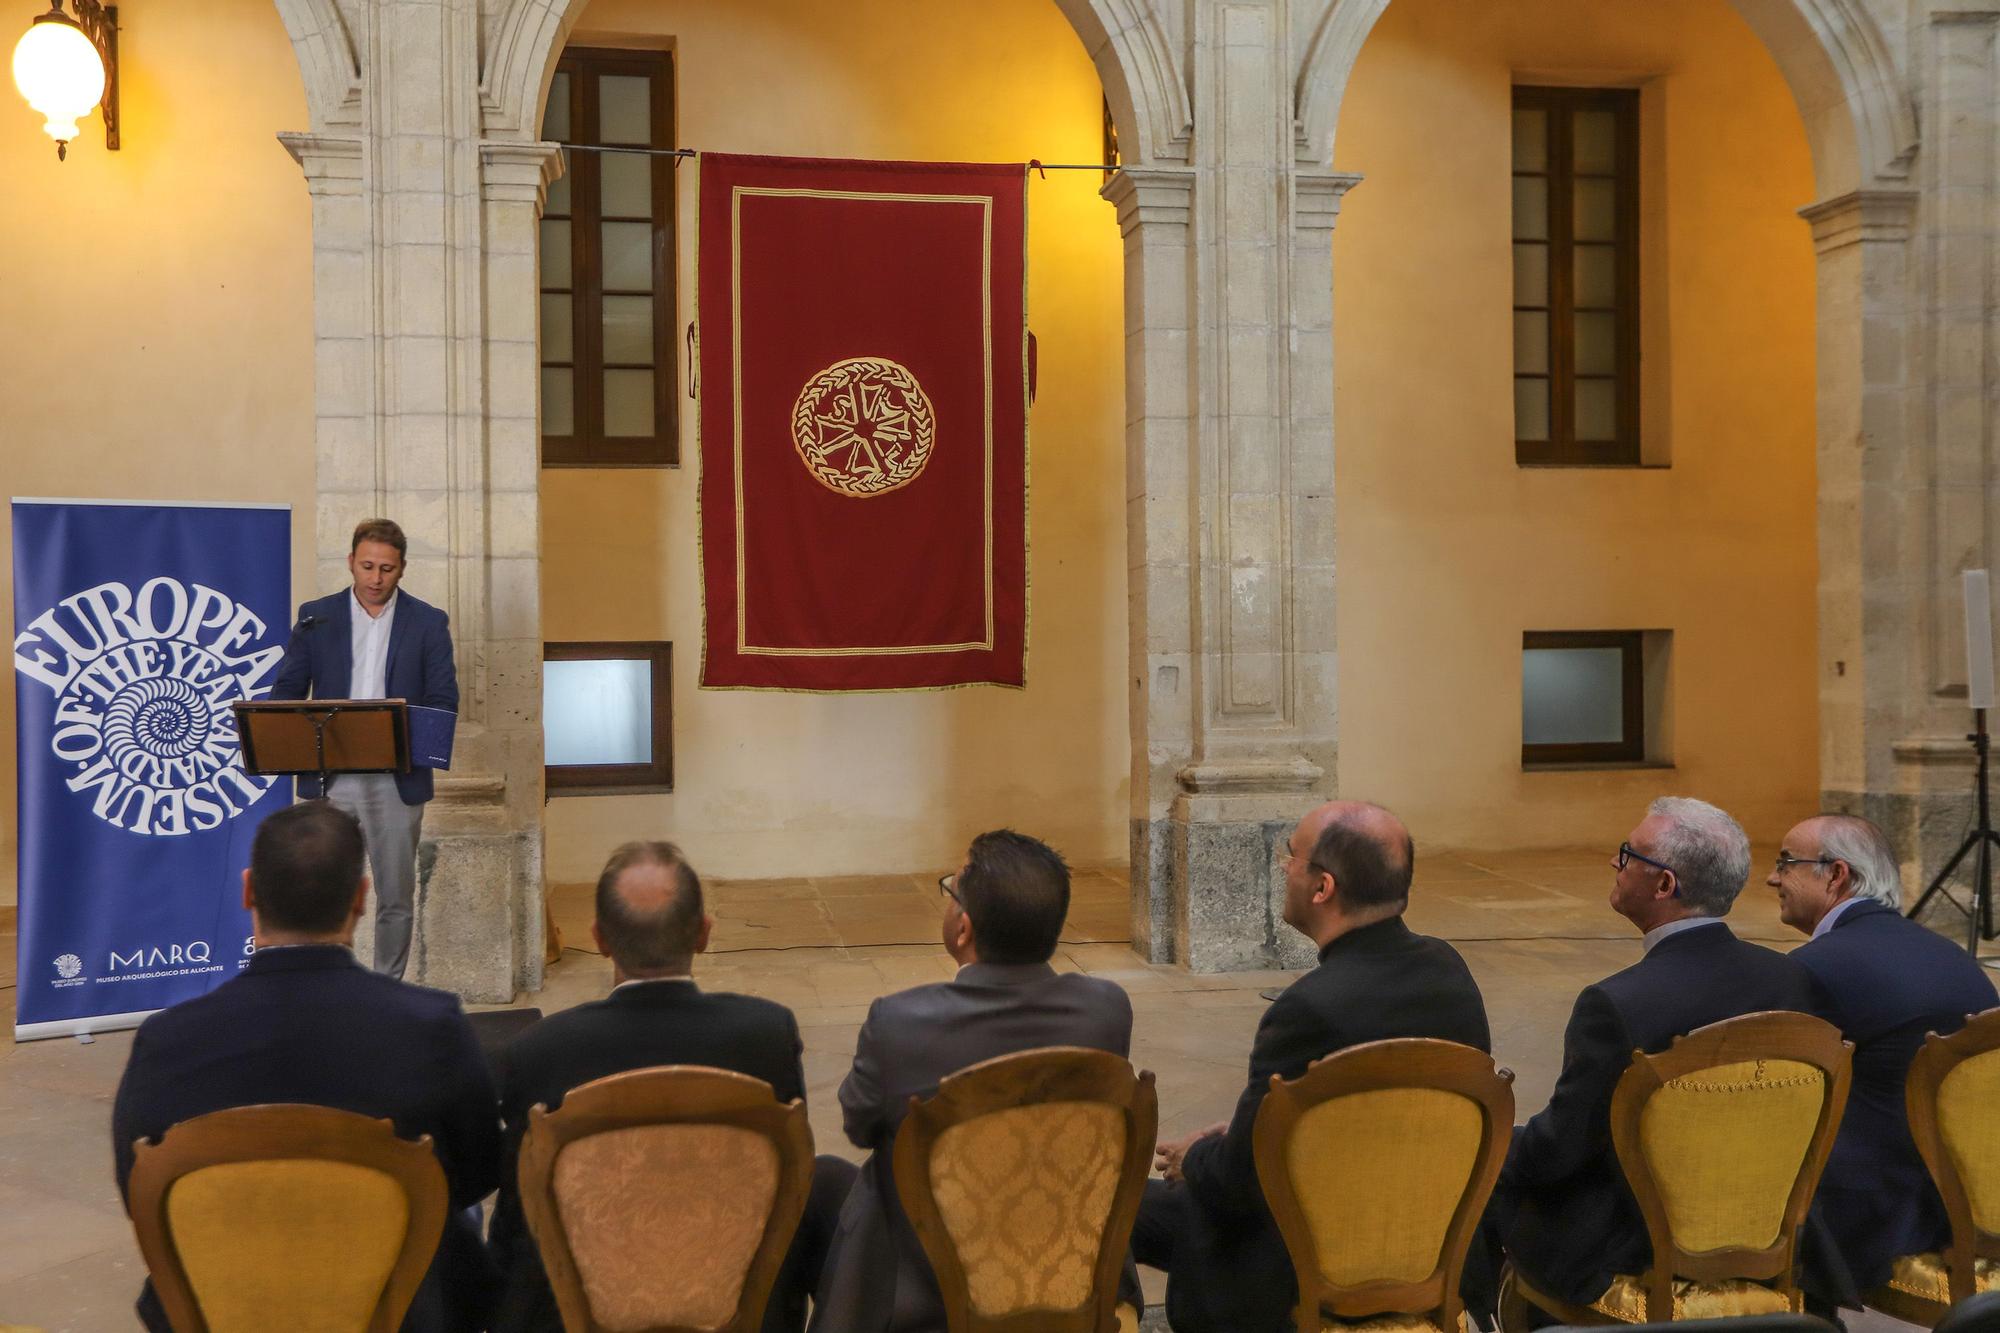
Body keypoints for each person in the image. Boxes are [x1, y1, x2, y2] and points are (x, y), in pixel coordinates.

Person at [110, 800, 501, 1332]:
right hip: (398, 1306)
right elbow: (479, 1170)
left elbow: (141, 1191)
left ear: (248, 890)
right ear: (361, 899)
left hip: (220, 1300)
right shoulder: (431, 1026)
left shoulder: (165, 1041)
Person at [1131, 800, 1491, 1333]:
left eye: (1290, 856)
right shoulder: (1449, 970)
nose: (1283, 868)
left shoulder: (1308, 1008)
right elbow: (1390, 1116)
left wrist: (1198, 1156)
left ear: (1322, 888)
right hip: (1426, 1243)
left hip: (1306, 1268)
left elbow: (1240, 1183)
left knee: (1125, 1202)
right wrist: (1251, 1133)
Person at [489, 841, 854, 1333]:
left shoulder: (538, 1052)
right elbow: (785, 1179)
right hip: (735, 1309)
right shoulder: (766, 1035)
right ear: (704, 934)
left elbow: (519, 1219)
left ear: (599, 938)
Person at [1477, 796, 1818, 1319]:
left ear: (1664, 886)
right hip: (1770, 1236)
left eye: (1627, 854)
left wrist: (1499, 1143)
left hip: (1637, 1251)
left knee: (1493, 1179)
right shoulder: (1791, 979)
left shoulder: (1617, 1004)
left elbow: (1560, 1152)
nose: (1613, 864)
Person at [810, 829, 1134, 1333]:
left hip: (927, 1298)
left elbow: (859, 1123)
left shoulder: (900, 1022)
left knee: (858, 1175)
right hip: (1068, 1271)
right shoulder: (1107, 1010)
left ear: (963, 927)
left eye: (950, 891)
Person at [1769, 813, 1997, 1293]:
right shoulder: (1952, 955)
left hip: (1881, 1219)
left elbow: (1771, 1094)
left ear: (1836, 874)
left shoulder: (1815, 968)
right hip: (1978, 1200)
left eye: (1787, 862)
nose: (1772, 877)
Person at [271, 517, 458, 980]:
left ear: (403, 569)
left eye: (387, 569)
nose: (376, 579)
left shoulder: (428, 622)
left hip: (398, 778)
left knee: (395, 895)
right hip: (329, 776)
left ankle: (384, 990)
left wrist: (401, 739)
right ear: (351, 562)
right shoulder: (317, 615)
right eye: (368, 566)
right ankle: (328, 985)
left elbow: (442, 700)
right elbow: (286, 693)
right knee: (322, 889)